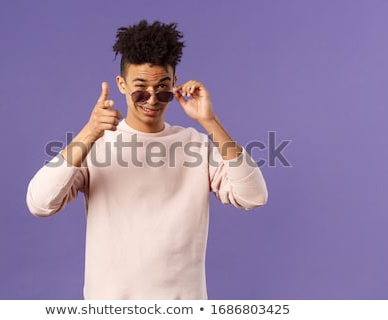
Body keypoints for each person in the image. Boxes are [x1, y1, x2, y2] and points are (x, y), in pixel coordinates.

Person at [26, 20, 268, 300]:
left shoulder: (196, 145)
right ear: (122, 84)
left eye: (162, 88)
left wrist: (209, 121)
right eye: (140, 89)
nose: (152, 99)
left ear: (175, 84)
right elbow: (40, 202)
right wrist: (89, 131)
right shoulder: (95, 145)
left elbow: (253, 196)